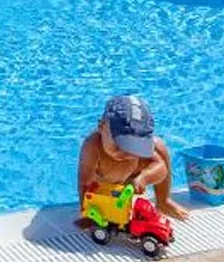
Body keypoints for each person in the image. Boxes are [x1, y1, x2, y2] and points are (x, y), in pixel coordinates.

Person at [77, 94, 189, 225]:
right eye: (120, 145)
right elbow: (85, 182)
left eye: (133, 146)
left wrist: (144, 178)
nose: (125, 153)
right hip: (104, 187)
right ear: (101, 127)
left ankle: (163, 201)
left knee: (160, 147)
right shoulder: (93, 147)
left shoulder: (137, 152)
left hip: (130, 180)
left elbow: (161, 169)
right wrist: (87, 210)